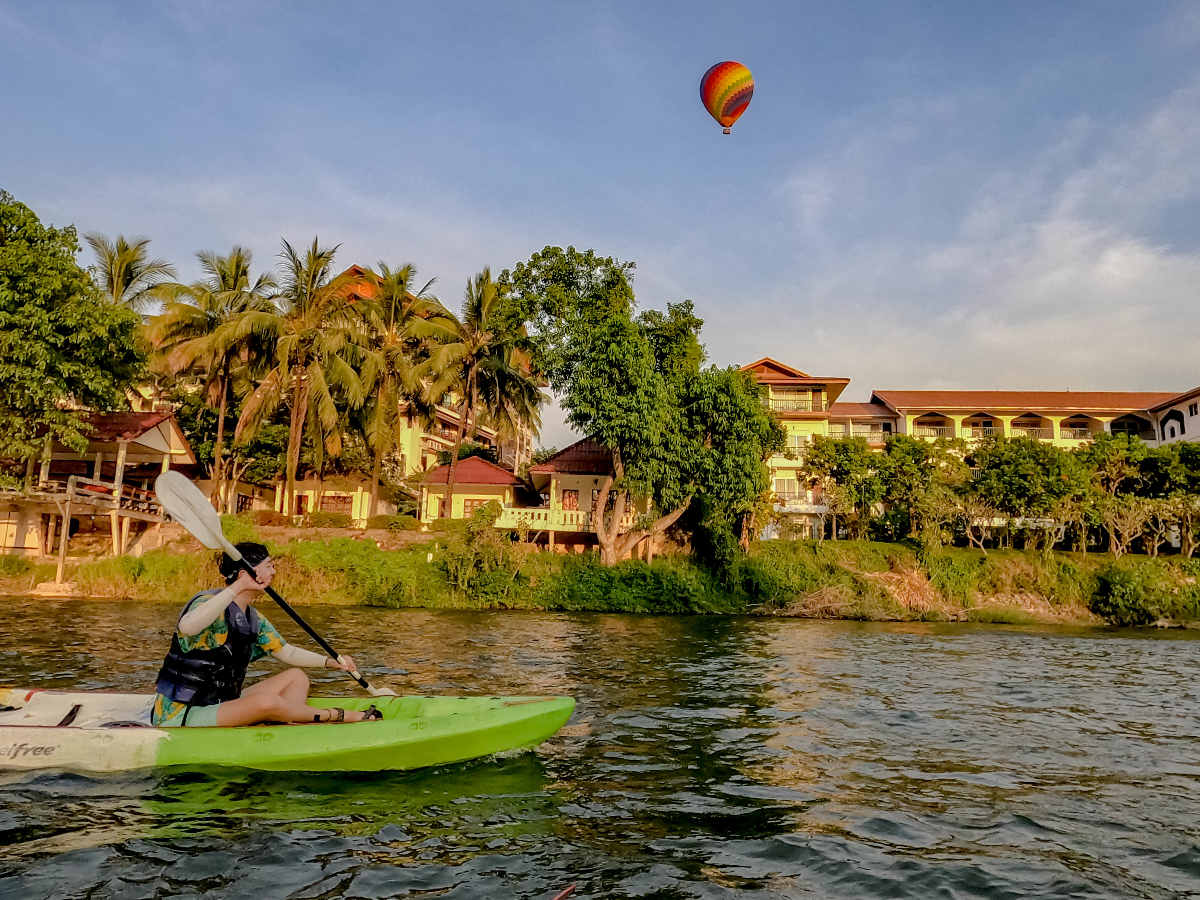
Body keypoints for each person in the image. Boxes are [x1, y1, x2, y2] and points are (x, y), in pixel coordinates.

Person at [152, 541, 381, 727]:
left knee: (296, 677)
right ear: (245, 573)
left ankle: (289, 721)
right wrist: (239, 585)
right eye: (269, 565)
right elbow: (188, 627)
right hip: (183, 712)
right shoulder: (207, 603)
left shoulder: (253, 618)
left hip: (224, 702)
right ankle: (337, 715)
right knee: (266, 702)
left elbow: (287, 652)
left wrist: (331, 662)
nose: (273, 571)